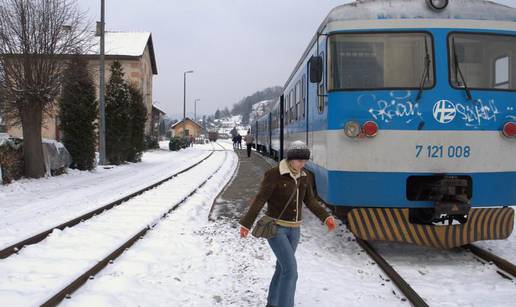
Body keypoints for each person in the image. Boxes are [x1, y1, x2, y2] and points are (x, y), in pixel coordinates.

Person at [239, 141, 337, 307]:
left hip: (294, 230)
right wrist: (246, 224)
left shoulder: (305, 176)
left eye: (305, 161)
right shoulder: (274, 174)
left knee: (282, 268)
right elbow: (260, 199)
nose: (303, 164)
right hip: (276, 228)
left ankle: (272, 303)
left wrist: (325, 217)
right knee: (291, 272)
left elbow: (310, 201)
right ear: (291, 159)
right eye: (300, 161)